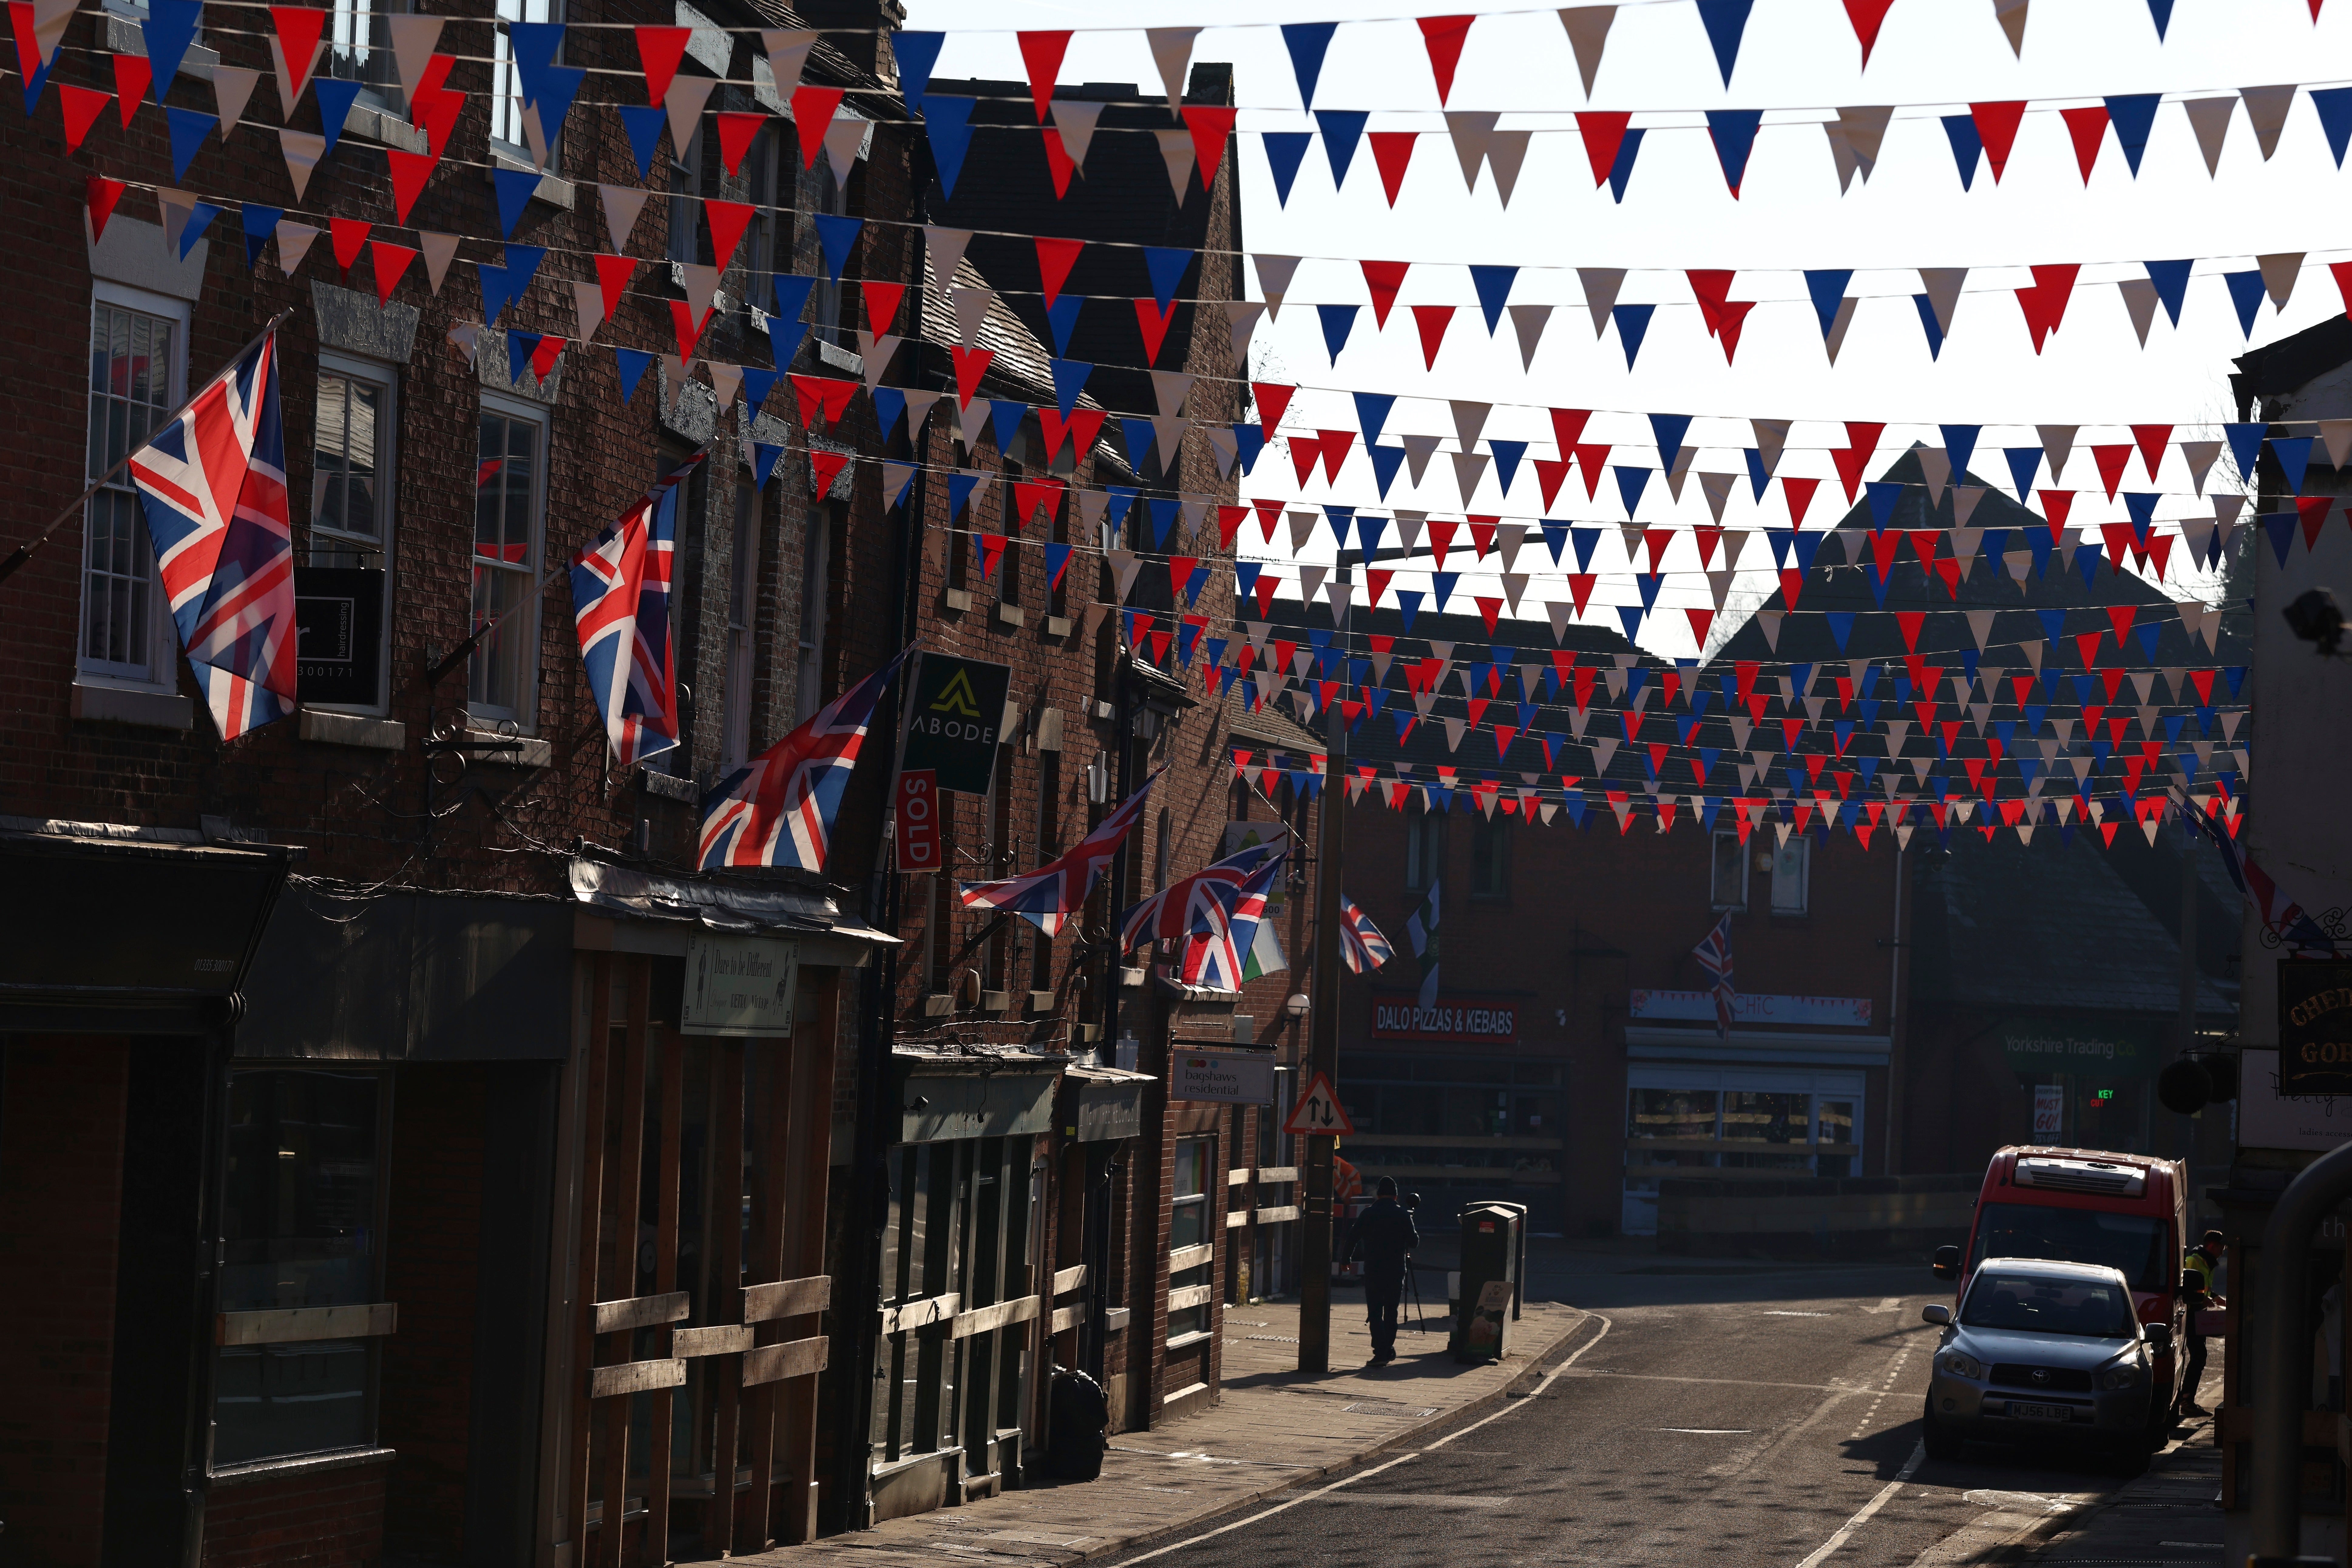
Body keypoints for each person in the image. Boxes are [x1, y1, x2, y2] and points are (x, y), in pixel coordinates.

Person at [1343, 1177, 1419, 1365]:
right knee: (1391, 1311)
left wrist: (1346, 1260)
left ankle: (1380, 1352)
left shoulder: (1369, 1213)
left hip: (1374, 1269)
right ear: (1396, 1196)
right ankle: (1387, 1349)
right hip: (1395, 1270)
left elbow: (1352, 1237)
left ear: (1378, 1195)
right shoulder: (1402, 1214)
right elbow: (1414, 1242)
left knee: (1375, 1311)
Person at [2178, 1229, 2226, 1417]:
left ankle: (2186, 1399)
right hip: (2190, 1316)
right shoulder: (2194, 1261)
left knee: (2200, 1356)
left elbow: (2203, 1289)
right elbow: (2187, 1291)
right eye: (2221, 1248)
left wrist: (2214, 1297)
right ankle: (2186, 1400)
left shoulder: (2208, 1263)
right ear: (2212, 1246)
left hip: (2199, 1315)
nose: (2223, 1253)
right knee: (2199, 1356)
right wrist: (2201, 1300)